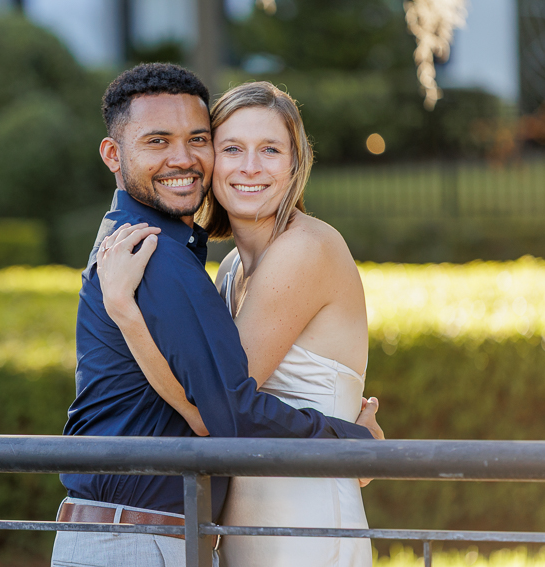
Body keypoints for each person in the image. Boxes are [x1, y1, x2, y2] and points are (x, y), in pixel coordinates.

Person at [50, 63, 383, 567]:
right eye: (231, 147)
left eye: (270, 149)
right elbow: (218, 410)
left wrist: (351, 448)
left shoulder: (300, 250)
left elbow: (216, 410)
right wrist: (351, 443)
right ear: (113, 155)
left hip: (298, 513)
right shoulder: (199, 261)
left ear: (297, 164)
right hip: (208, 524)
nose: (249, 166)